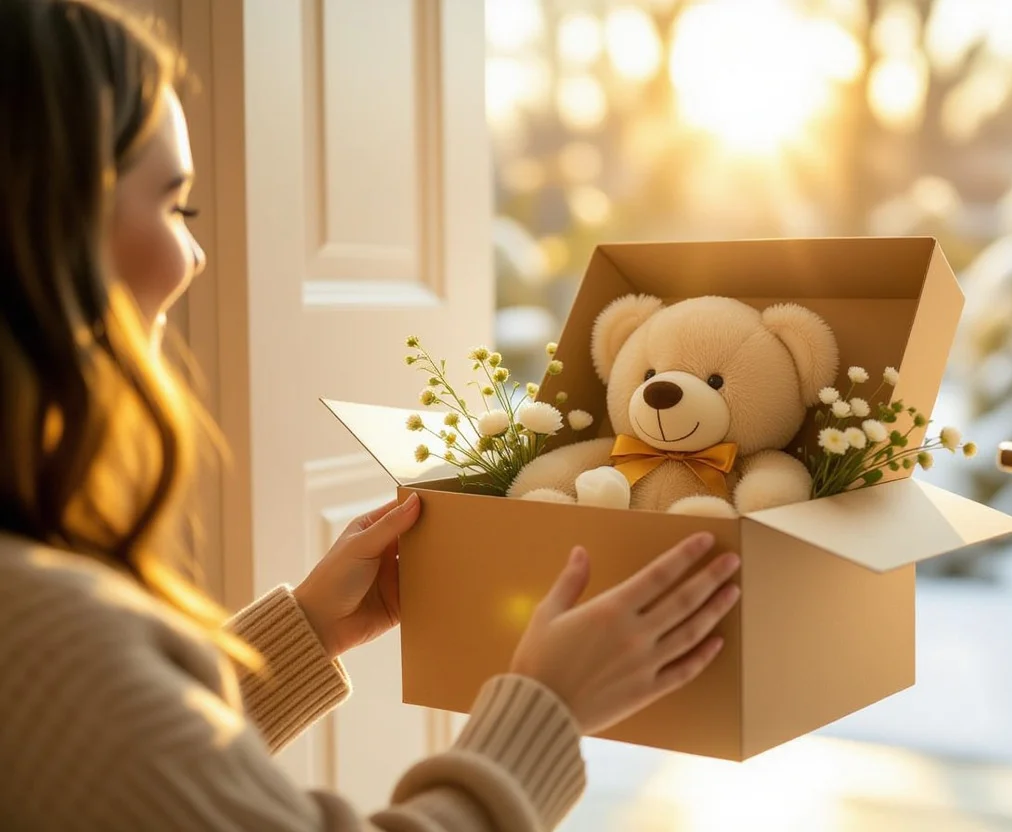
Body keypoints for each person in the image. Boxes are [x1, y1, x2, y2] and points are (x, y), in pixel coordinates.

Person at [0, 1, 743, 829]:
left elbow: (113, 783)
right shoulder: (47, 633)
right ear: (45, 227)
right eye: (178, 206)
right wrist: (546, 707)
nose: (196, 254)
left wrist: (303, 631)